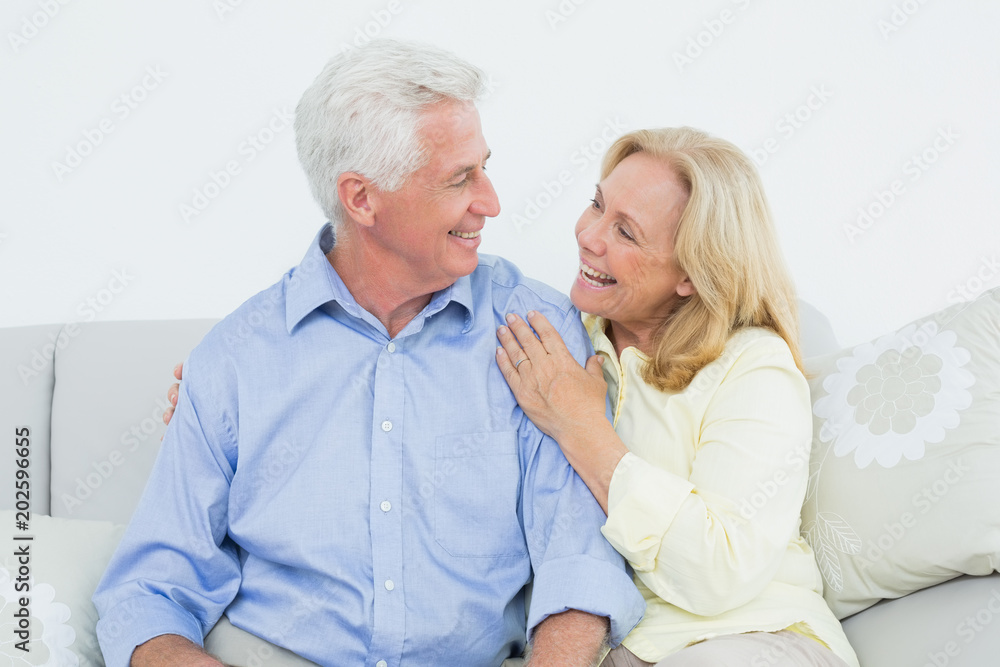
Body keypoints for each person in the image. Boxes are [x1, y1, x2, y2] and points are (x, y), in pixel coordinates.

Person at [93, 40, 644, 667]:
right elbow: (149, 591)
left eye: (484, 166)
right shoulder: (235, 360)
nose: (490, 200)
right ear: (361, 199)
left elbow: (576, 558)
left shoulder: (535, 333)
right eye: (460, 177)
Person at [494, 128, 860, 666]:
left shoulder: (753, 366)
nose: (590, 236)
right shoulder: (563, 346)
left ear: (691, 273)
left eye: (626, 231)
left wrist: (581, 428)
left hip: (751, 639)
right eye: (597, 204)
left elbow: (720, 571)